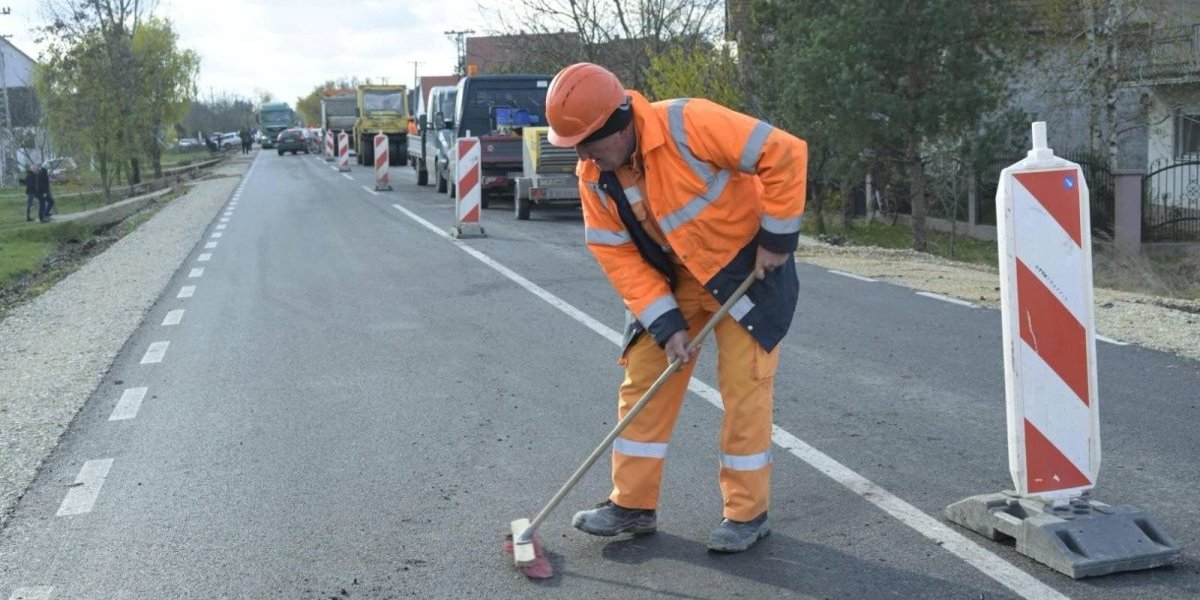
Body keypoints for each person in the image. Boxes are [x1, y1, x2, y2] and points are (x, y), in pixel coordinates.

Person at [545, 63, 808, 553]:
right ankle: (632, 505)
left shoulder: (689, 122)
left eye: (587, 142)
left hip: (744, 270)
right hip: (673, 278)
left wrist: (777, 238)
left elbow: (785, 152)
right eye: (575, 145)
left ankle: (746, 515)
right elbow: (617, 254)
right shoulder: (593, 176)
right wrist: (666, 324)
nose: (582, 154)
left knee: (743, 387)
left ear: (618, 125)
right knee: (643, 379)